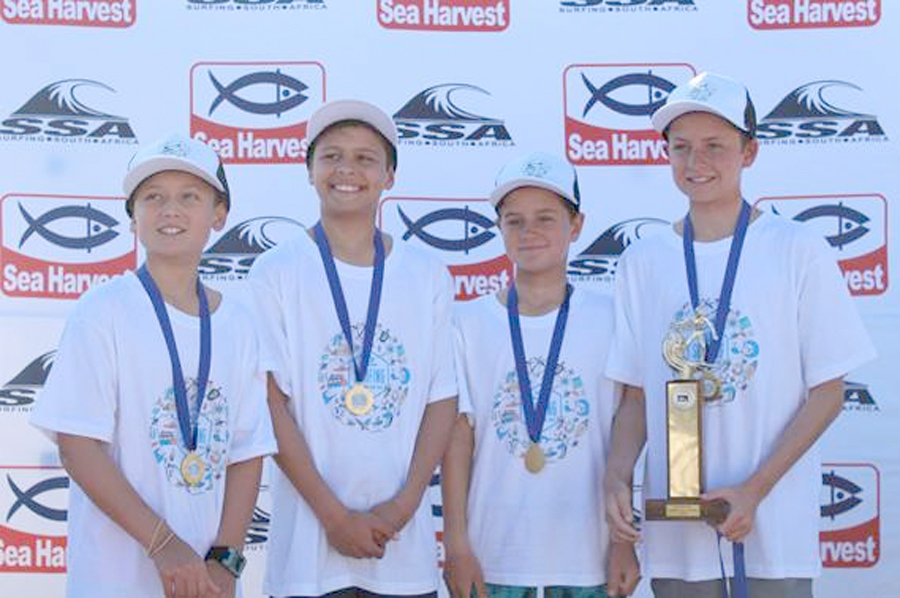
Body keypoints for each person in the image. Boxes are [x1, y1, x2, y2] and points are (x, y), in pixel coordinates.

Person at [603, 72, 877, 598]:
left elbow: (828, 391)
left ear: (749, 152)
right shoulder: (643, 260)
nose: (695, 162)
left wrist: (755, 489)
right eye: (681, 147)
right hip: (679, 540)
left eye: (715, 146)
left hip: (774, 529)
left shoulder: (797, 248)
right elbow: (635, 397)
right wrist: (616, 477)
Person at [30, 132, 277, 598]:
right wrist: (163, 544)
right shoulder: (102, 311)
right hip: (114, 582)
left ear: (219, 214)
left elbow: (247, 452)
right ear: (133, 218)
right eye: (153, 197)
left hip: (207, 584)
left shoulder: (239, 323)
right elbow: (78, 446)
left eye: (190, 197)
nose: (170, 210)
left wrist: (226, 560)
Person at [249, 99, 458, 598]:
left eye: (365, 158)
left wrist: (402, 508)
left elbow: (442, 399)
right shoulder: (276, 271)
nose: (347, 169)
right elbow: (270, 403)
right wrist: (334, 517)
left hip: (402, 554)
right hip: (306, 560)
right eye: (332, 156)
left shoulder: (427, 274)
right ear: (309, 171)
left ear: (389, 175)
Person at [442, 151, 640, 598]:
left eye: (546, 218)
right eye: (514, 221)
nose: (528, 231)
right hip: (493, 557)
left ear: (576, 225)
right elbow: (458, 439)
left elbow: (624, 430)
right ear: (499, 229)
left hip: (587, 561)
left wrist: (622, 542)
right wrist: (456, 544)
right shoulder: (467, 322)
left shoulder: (611, 318)